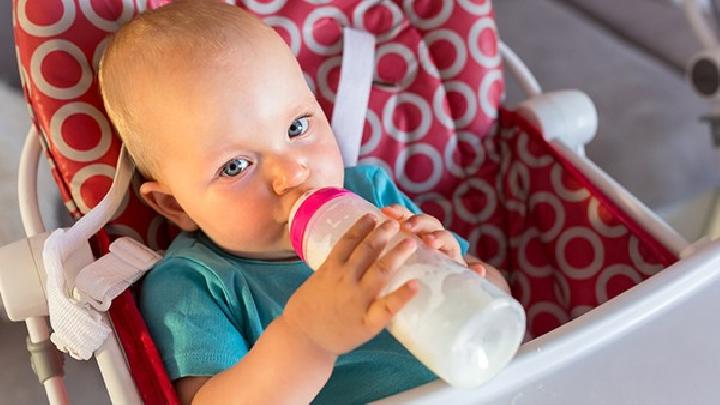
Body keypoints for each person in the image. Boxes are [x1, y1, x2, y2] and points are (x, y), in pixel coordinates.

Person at [98, 1, 509, 403]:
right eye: (236, 166)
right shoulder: (195, 284)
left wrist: (461, 273)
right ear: (175, 207)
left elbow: (501, 305)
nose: (292, 173)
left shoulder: (373, 197)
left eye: (297, 127)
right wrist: (309, 338)